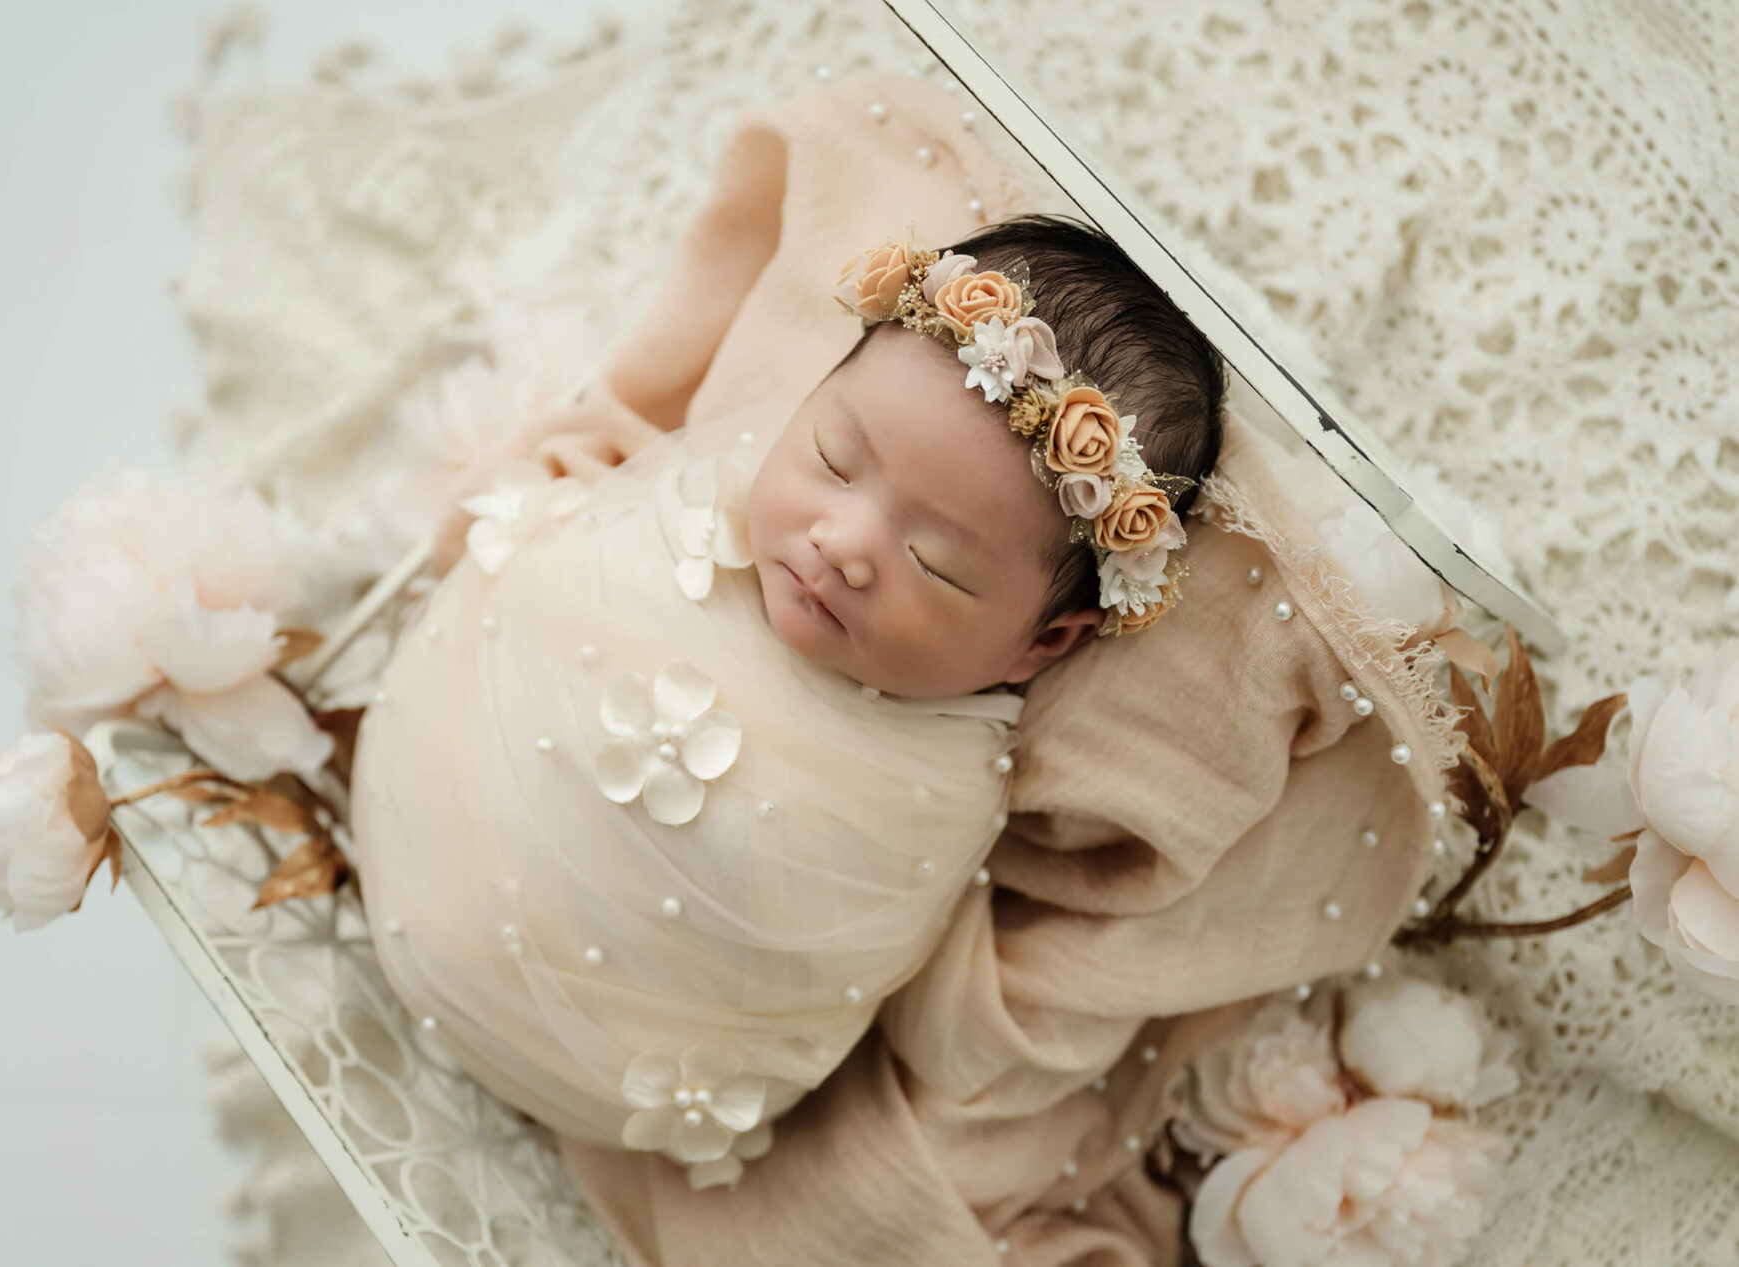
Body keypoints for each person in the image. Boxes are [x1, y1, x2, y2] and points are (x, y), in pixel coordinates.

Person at [387, 69, 1457, 1266]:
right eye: (836, 457)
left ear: (1041, 644)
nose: (843, 547)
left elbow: (908, 977)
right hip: (410, 824)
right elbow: (558, 546)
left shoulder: (955, 781)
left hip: (620, 1072)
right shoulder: (696, 487)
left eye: (938, 567)